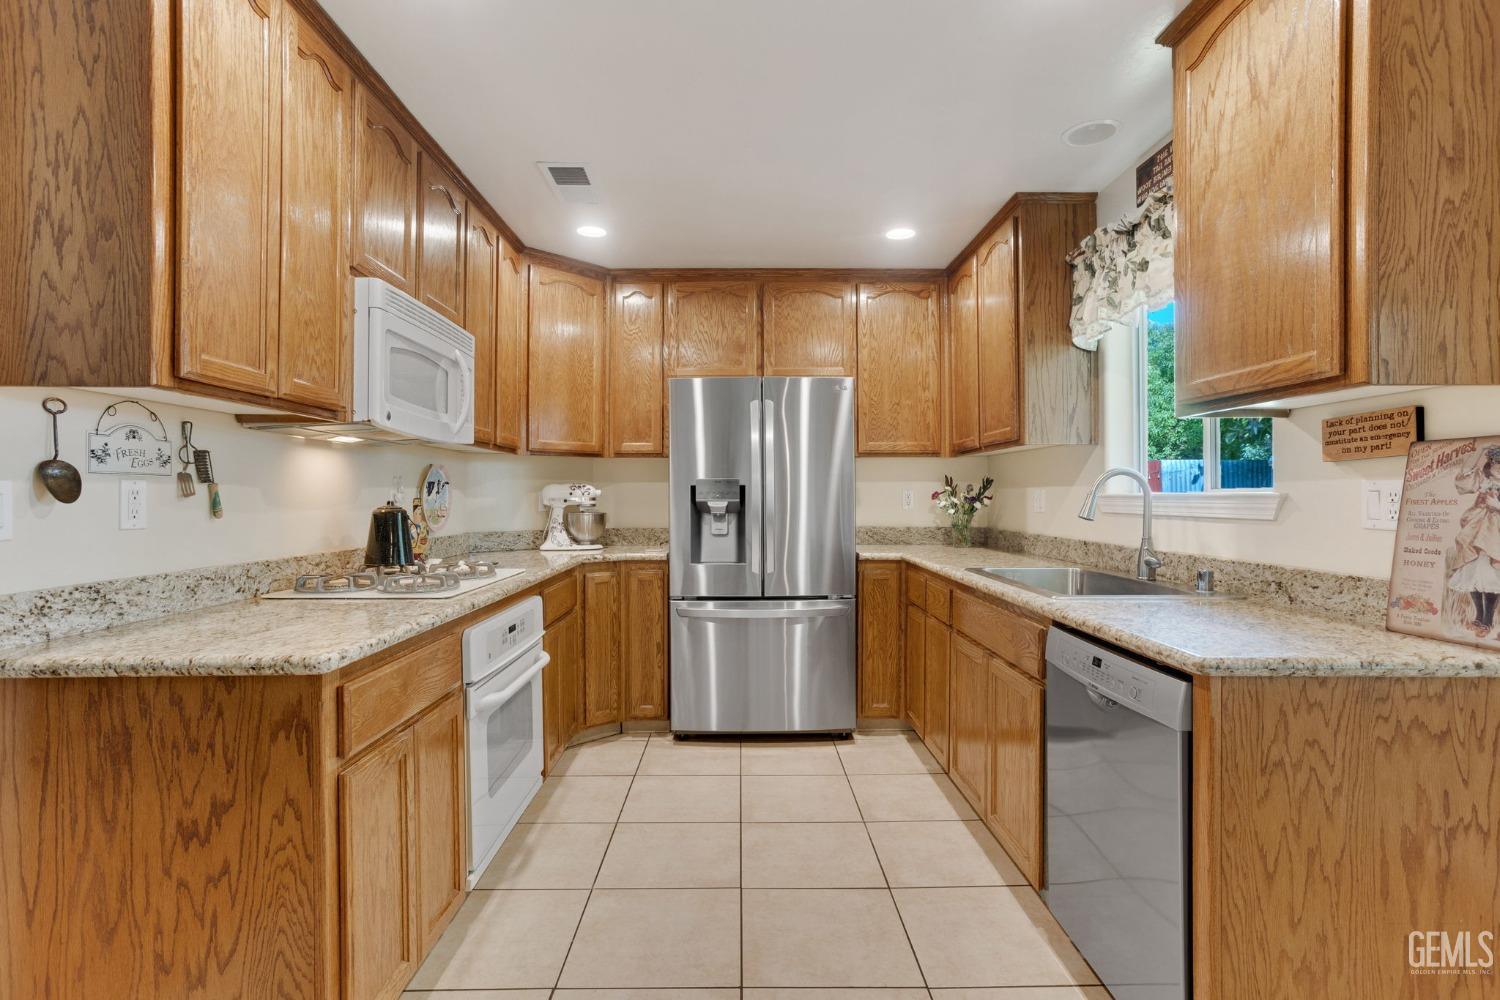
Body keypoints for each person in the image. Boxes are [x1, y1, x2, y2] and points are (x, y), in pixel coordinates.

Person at [1448, 444, 1500, 638]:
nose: (1498, 468)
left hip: (1495, 534)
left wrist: (1497, 506)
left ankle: (1487, 621)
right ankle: (1478, 617)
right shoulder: (1483, 479)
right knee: (1472, 574)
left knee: (1491, 577)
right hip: (1475, 530)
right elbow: (1464, 479)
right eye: (1495, 464)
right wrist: (1479, 452)